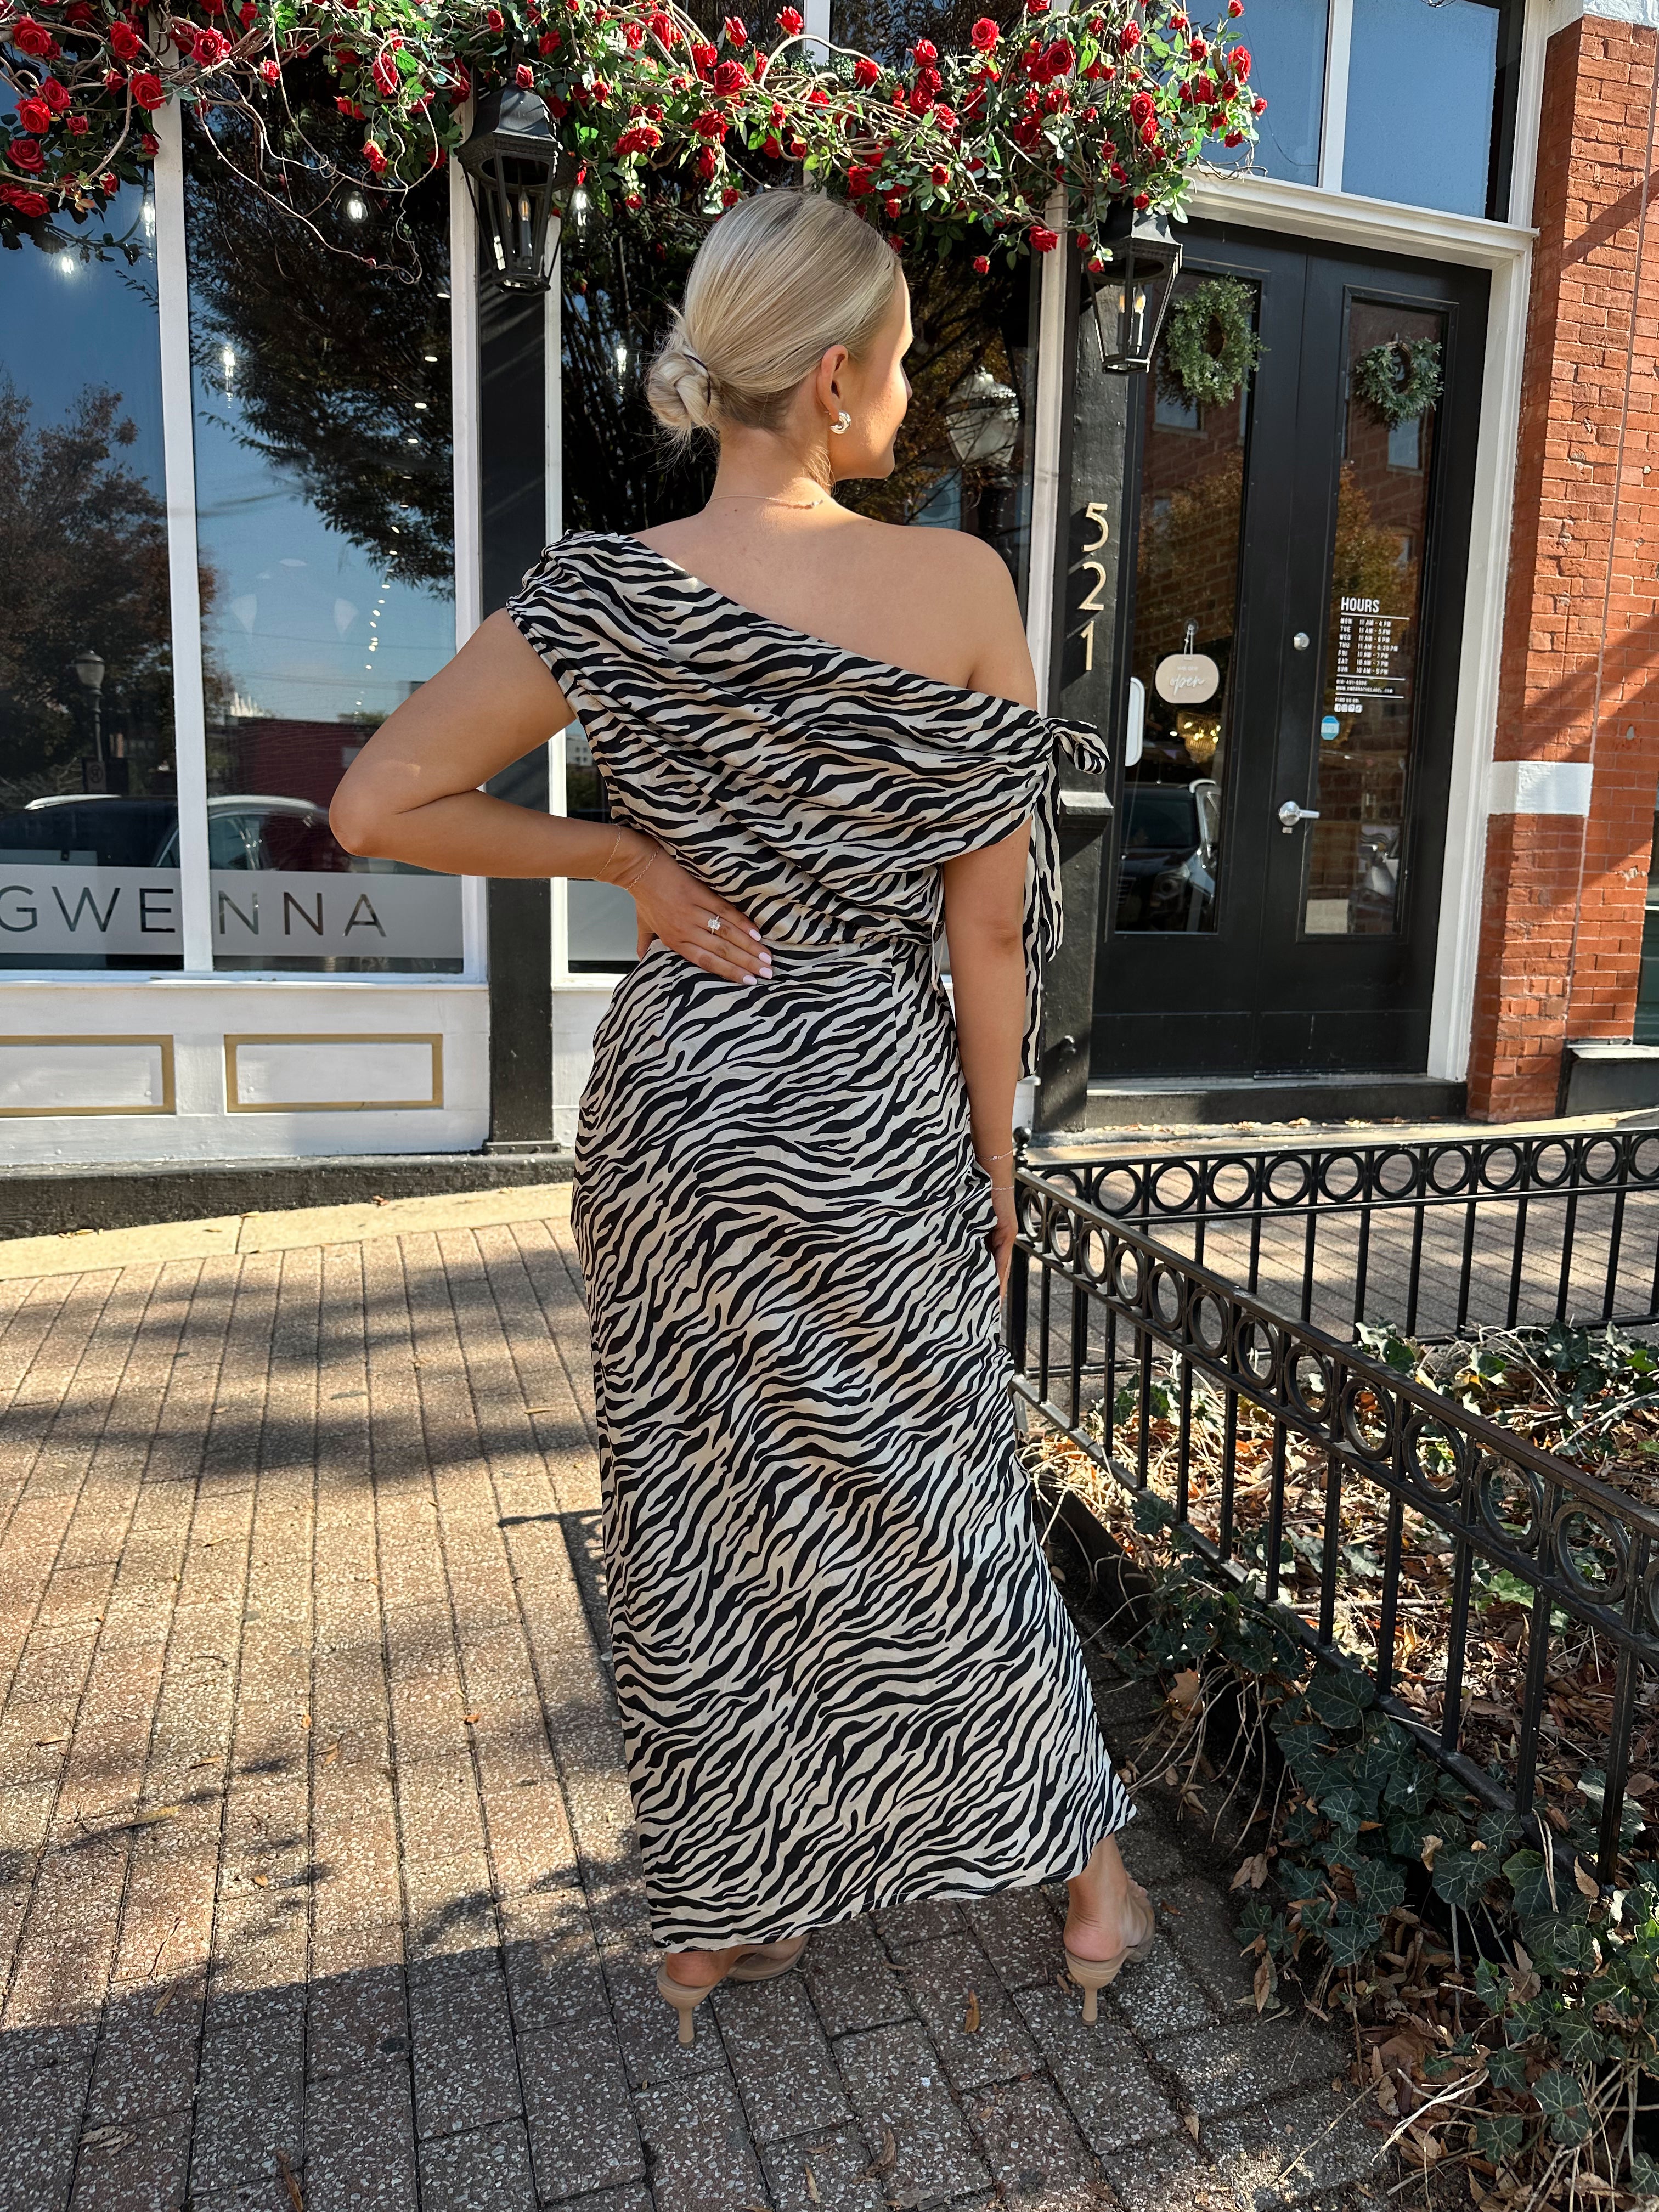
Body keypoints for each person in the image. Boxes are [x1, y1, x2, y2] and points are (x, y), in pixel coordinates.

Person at [330, 187, 1153, 2043]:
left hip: (683, 1097)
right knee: (938, 1505)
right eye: (908, 363)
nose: (916, 393)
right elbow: (994, 930)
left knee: (697, 1514)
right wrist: (994, 1164)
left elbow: (377, 808)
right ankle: (1091, 1877)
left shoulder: (603, 590)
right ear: (842, 374)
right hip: (865, 1095)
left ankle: (723, 1919)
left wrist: (623, 848)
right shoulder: (957, 586)